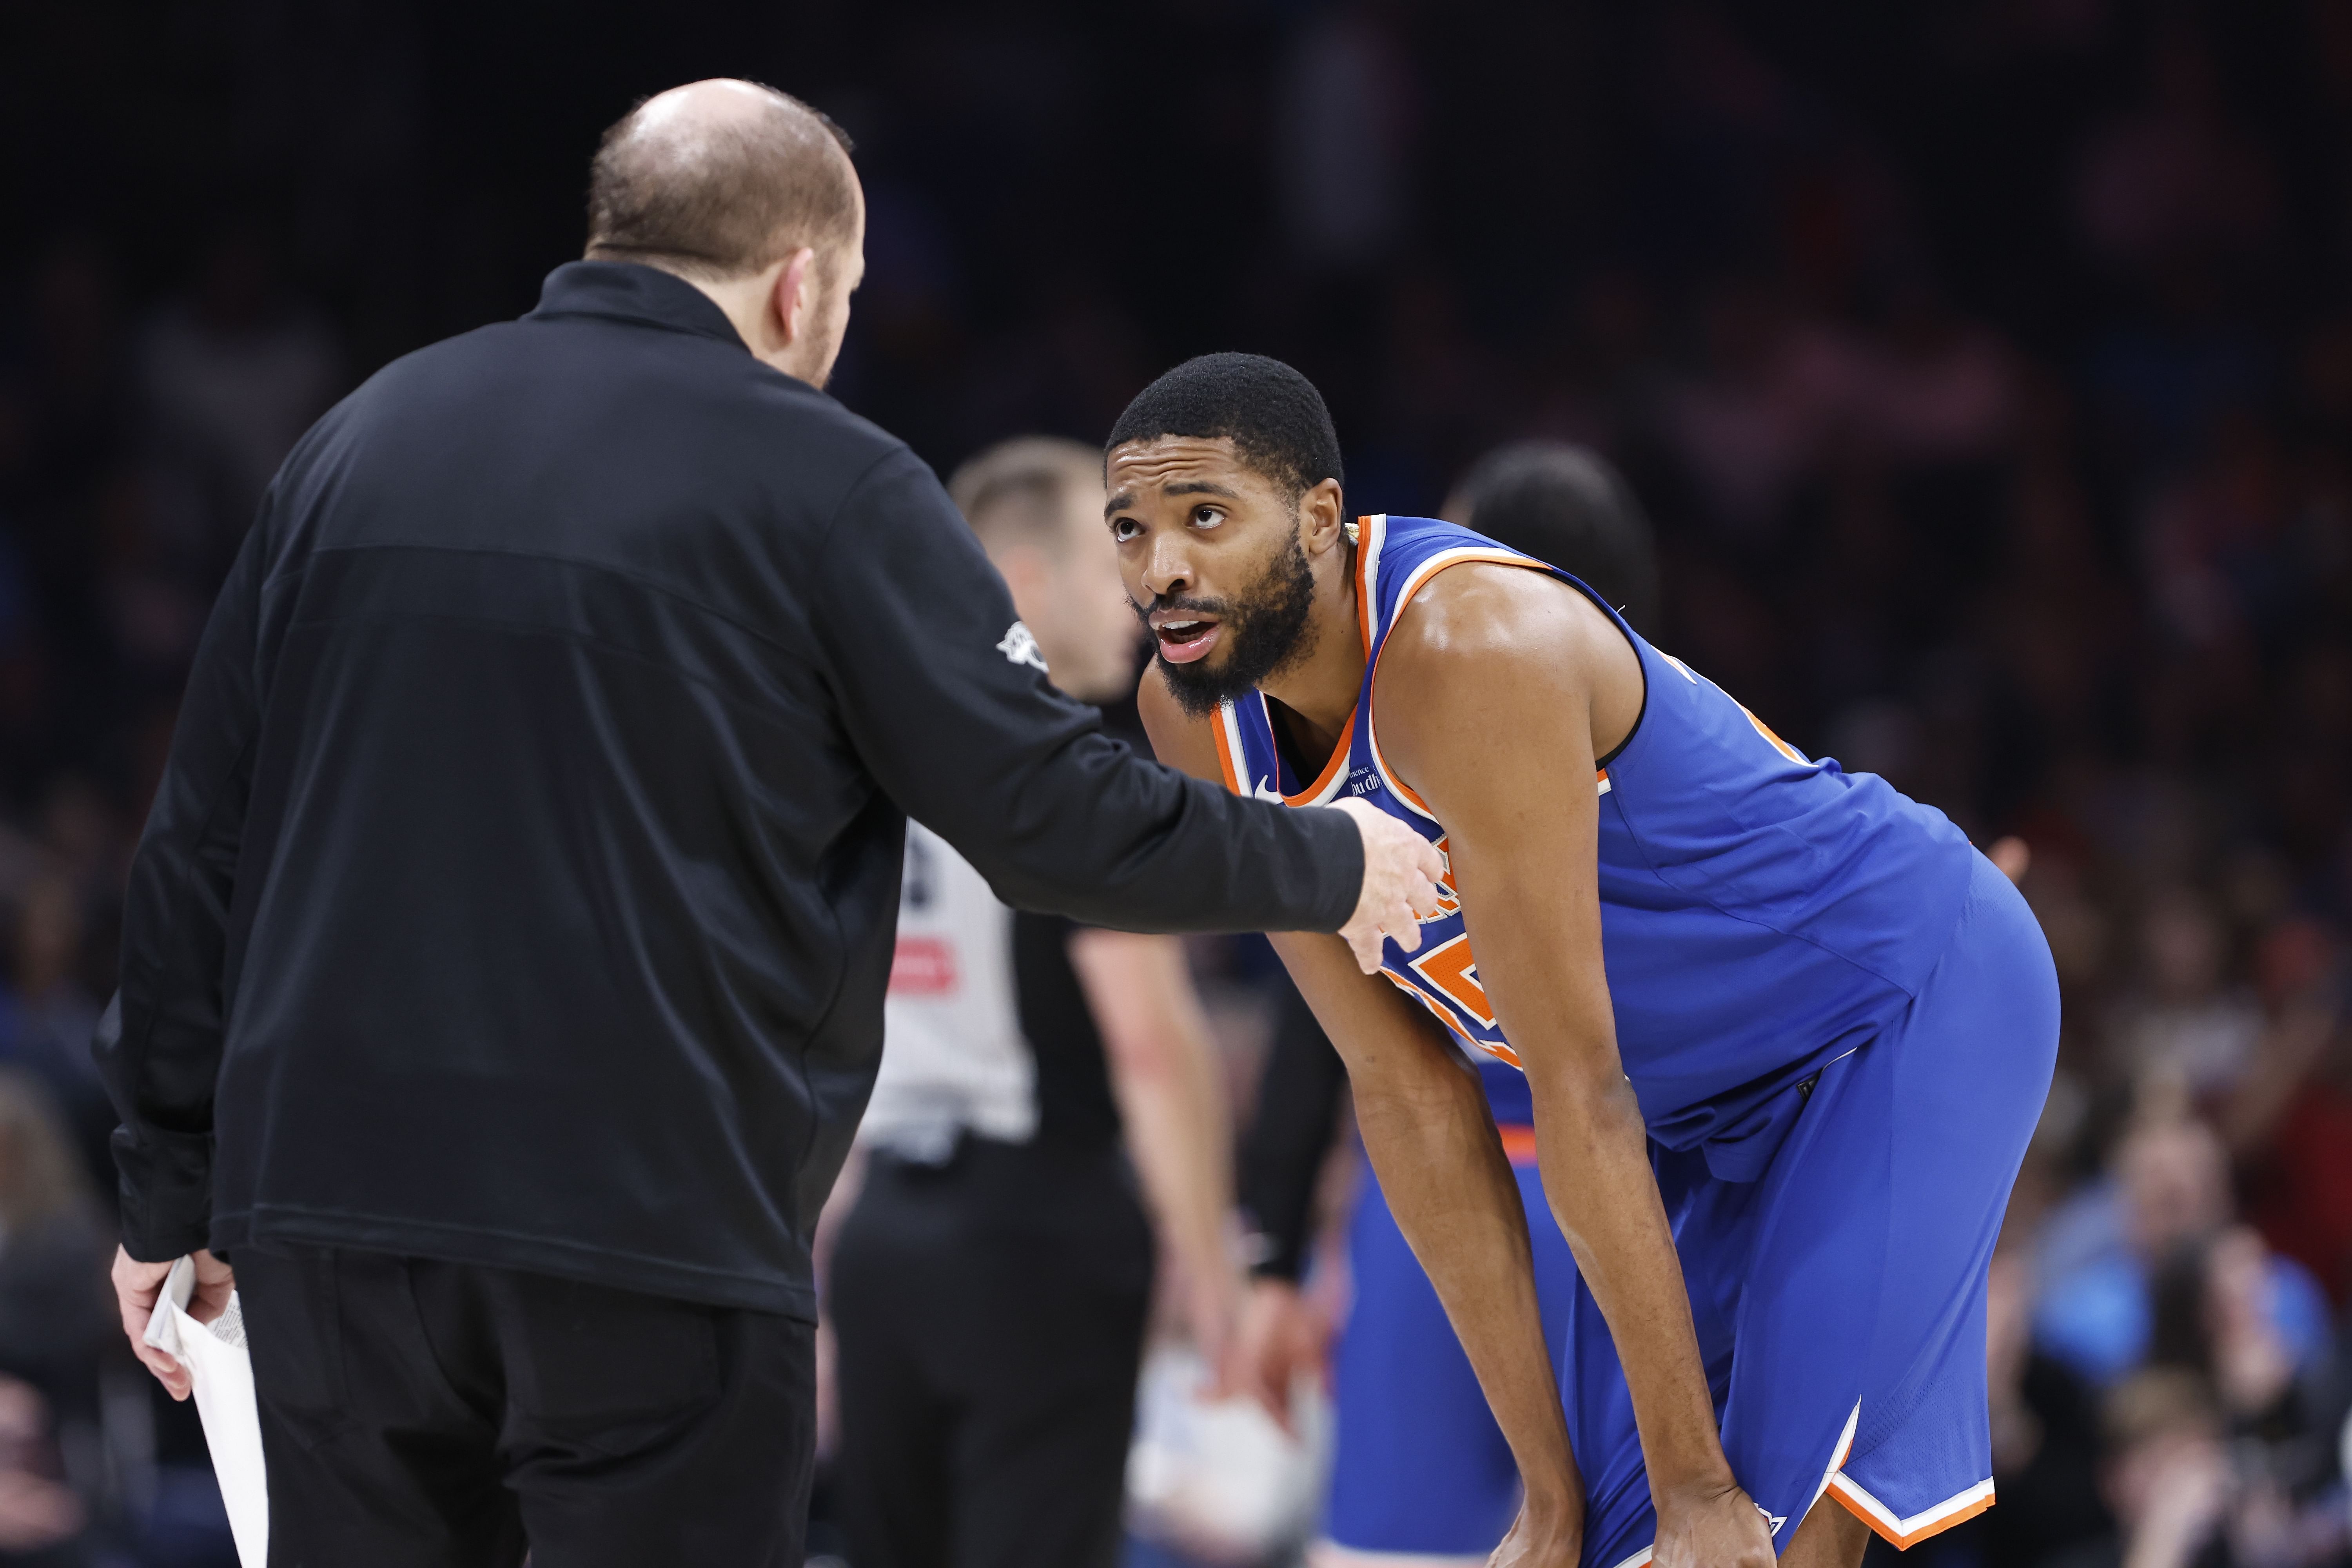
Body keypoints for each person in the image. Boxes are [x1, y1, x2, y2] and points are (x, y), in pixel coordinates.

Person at [90, 89, 1444, 1568]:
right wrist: (1337, 858)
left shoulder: (352, 443)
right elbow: (1054, 823)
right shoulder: (831, 481)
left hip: (331, 1228)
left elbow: (196, 854)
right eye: (849, 298)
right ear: (799, 281)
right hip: (645, 1234)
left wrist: (167, 1193)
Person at [1114, 352, 2060, 1568]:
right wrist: (1549, 1500)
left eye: (1204, 518)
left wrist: (1698, 1498)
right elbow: (1402, 1089)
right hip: (1705, 1110)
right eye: (1130, 530)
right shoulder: (1189, 718)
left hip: (1899, 1009)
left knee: (1749, 1541)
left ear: (1318, 518)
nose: (1163, 570)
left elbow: (1582, 1088)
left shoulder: (1467, 649)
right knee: (1611, 1545)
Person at [1229, 442, 1659, 1565]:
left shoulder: (1390, 745)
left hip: (1444, 1207)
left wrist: (1271, 1257)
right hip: (1635, 1206)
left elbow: (1318, 1026)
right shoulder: (1688, 754)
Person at [828, 436, 1246, 1568]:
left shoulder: (864, 754)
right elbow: (1150, 1042)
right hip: (1036, 1236)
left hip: (881, 1244)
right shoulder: (1064, 769)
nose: (1143, 595)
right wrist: (1213, 1273)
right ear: (1020, 583)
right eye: (1110, 554)